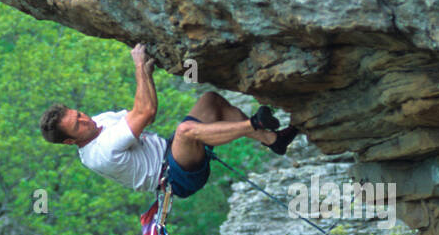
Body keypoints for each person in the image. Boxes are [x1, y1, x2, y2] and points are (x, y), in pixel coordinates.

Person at [39, 43, 299, 199]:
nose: (85, 119)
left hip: (171, 152)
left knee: (210, 101)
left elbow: (142, 113)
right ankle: (255, 124)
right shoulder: (100, 152)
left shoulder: (99, 123)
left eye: (78, 114)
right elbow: (147, 112)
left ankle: (274, 140)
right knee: (186, 131)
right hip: (175, 178)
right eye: (77, 125)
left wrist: (147, 73)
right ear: (71, 140)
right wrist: (140, 66)